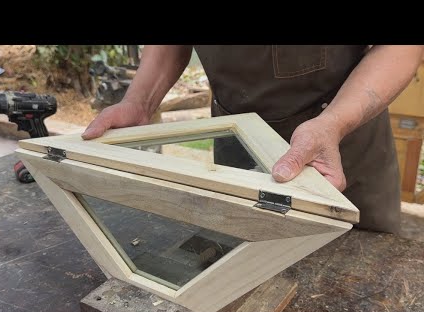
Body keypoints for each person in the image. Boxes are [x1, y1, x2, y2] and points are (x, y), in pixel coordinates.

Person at [82, 45, 424, 234]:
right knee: (241, 255)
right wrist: (139, 102)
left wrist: (333, 123)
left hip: (339, 144)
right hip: (236, 140)